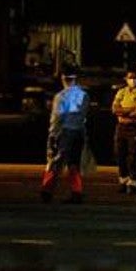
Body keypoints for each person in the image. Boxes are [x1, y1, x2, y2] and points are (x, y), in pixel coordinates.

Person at [40, 67, 88, 204]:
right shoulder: (83, 95)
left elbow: (57, 118)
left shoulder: (61, 96)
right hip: (78, 131)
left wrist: (53, 134)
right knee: (74, 163)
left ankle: (47, 190)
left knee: (54, 161)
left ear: (63, 78)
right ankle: (76, 191)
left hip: (63, 132)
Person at [111, 70, 136, 194]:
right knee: (119, 154)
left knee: (134, 156)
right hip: (121, 127)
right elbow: (114, 109)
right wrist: (129, 110)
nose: (133, 80)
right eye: (130, 78)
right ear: (126, 79)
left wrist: (123, 111)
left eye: (135, 78)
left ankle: (134, 182)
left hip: (134, 128)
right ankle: (123, 180)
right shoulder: (121, 92)